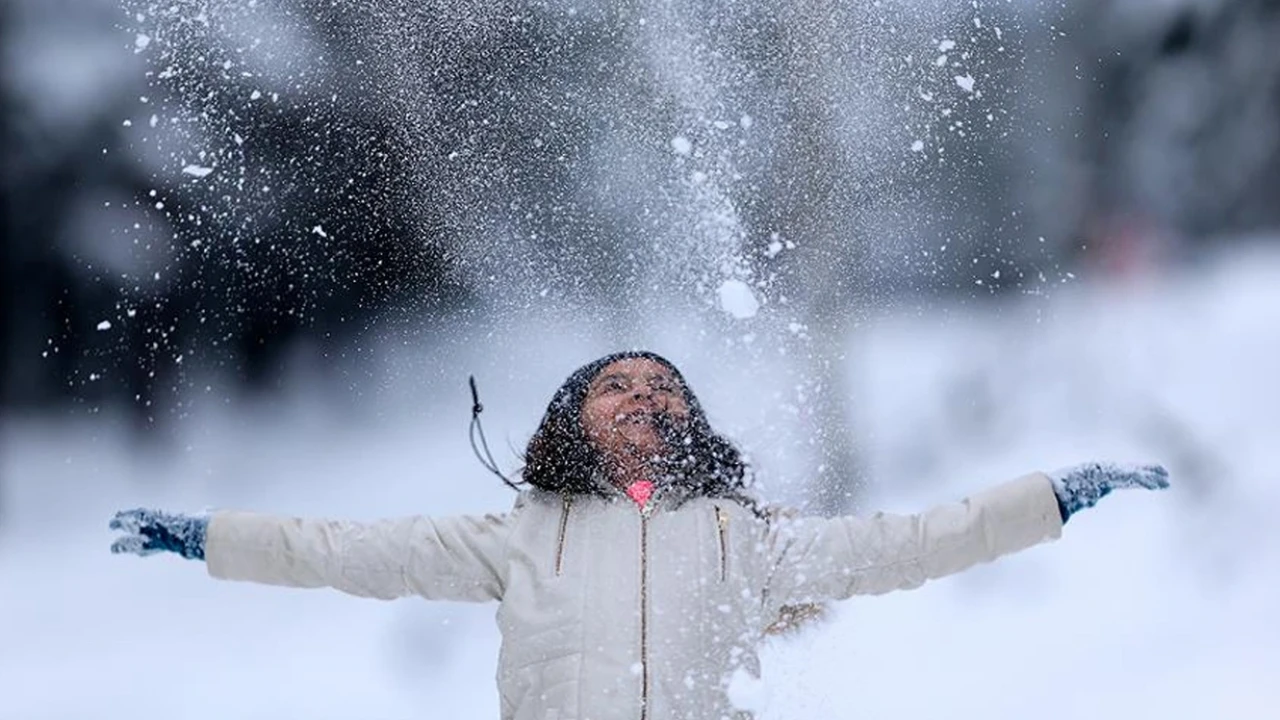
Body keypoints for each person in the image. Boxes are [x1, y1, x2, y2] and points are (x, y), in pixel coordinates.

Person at [109, 350, 1170, 720]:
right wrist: (207, 537)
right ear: (571, 419)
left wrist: (1052, 497)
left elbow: (911, 542)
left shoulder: (744, 541)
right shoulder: (515, 537)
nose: (639, 396)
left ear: (689, 422)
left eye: (661, 387)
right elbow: (341, 549)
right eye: (613, 385)